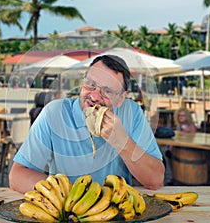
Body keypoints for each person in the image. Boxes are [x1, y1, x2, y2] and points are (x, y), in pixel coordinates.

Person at [9, 55, 165, 193]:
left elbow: (155, 179)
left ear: (121, 98)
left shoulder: (132, 112)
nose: (95, 96)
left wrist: (121, 142)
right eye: (90, 84)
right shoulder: (54, 113)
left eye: (107, 91)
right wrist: (74, 197)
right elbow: (17, 175)